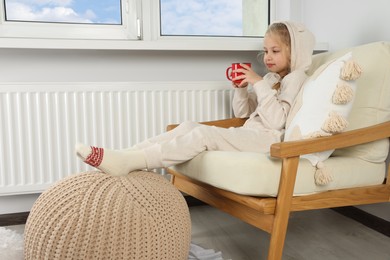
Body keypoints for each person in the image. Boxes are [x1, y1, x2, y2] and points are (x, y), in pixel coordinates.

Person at [75, 21, 316, 176]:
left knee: (203, 134)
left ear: (295, 52)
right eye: (265, 51)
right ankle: (125, 154)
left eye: (275, 51)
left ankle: (131, 160)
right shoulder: (272, 79)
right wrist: (241, 89)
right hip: (252, 134)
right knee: (190, 126)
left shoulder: (295, 78)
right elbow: (244, 114)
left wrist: (257, 82)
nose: (267, 57)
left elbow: (276, 122)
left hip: (268, 141)